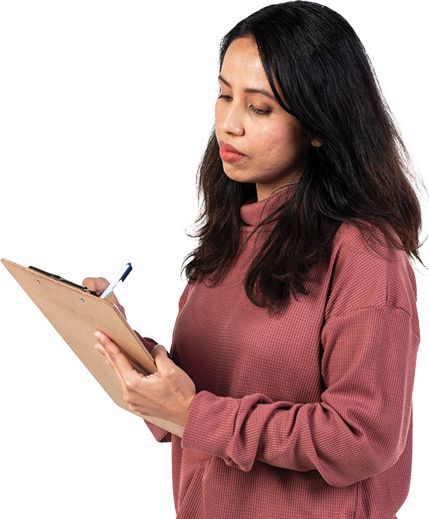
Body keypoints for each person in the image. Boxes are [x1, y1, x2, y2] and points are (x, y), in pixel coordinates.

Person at [84, 2, 426, 517]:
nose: (229, 124)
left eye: (259, 108)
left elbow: (363, 437)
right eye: (224, 95)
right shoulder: (230, 235)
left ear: (318, 125)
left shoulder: (365, 254)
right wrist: (127, 349)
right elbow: (204, 400)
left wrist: (196, 413)